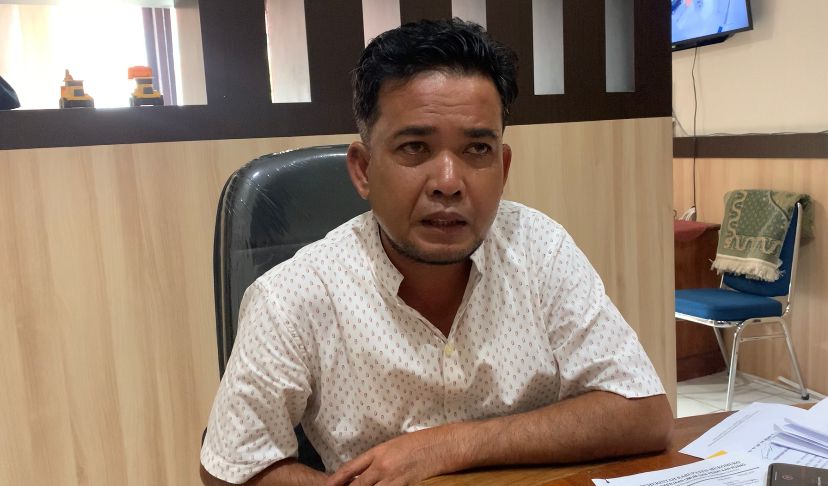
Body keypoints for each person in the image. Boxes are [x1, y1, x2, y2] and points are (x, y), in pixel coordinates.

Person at [200, 18, 673, 486]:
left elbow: (645, 413)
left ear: (503, 167)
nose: (448, 182)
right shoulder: (294, 296)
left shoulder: (541, 250)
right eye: (414, 147)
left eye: (477, 149)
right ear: (363, 170)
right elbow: (233, 467)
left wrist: (449, 445)